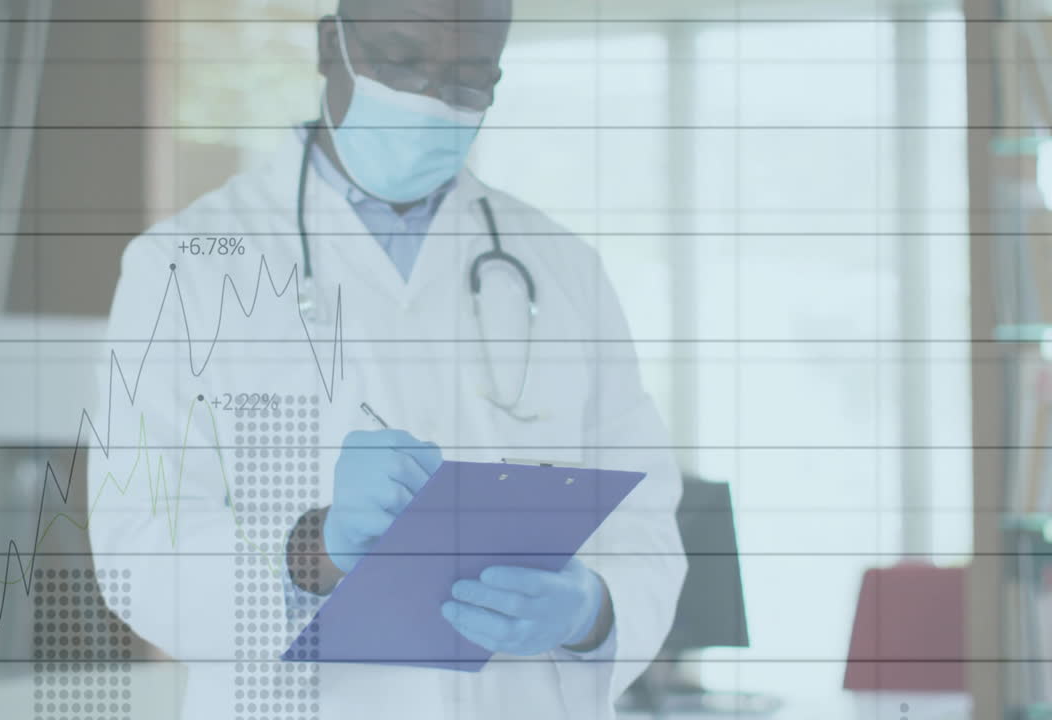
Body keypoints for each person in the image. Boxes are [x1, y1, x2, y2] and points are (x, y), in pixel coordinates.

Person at [88, 0, 686, 718]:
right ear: (329, 46)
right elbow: (139, 544)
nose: (430, 101)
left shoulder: (563, 267)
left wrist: (592, 610)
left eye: (469, 80)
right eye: (400, 63)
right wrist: (316, 549)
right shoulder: (184, 265)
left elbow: (646, 521)